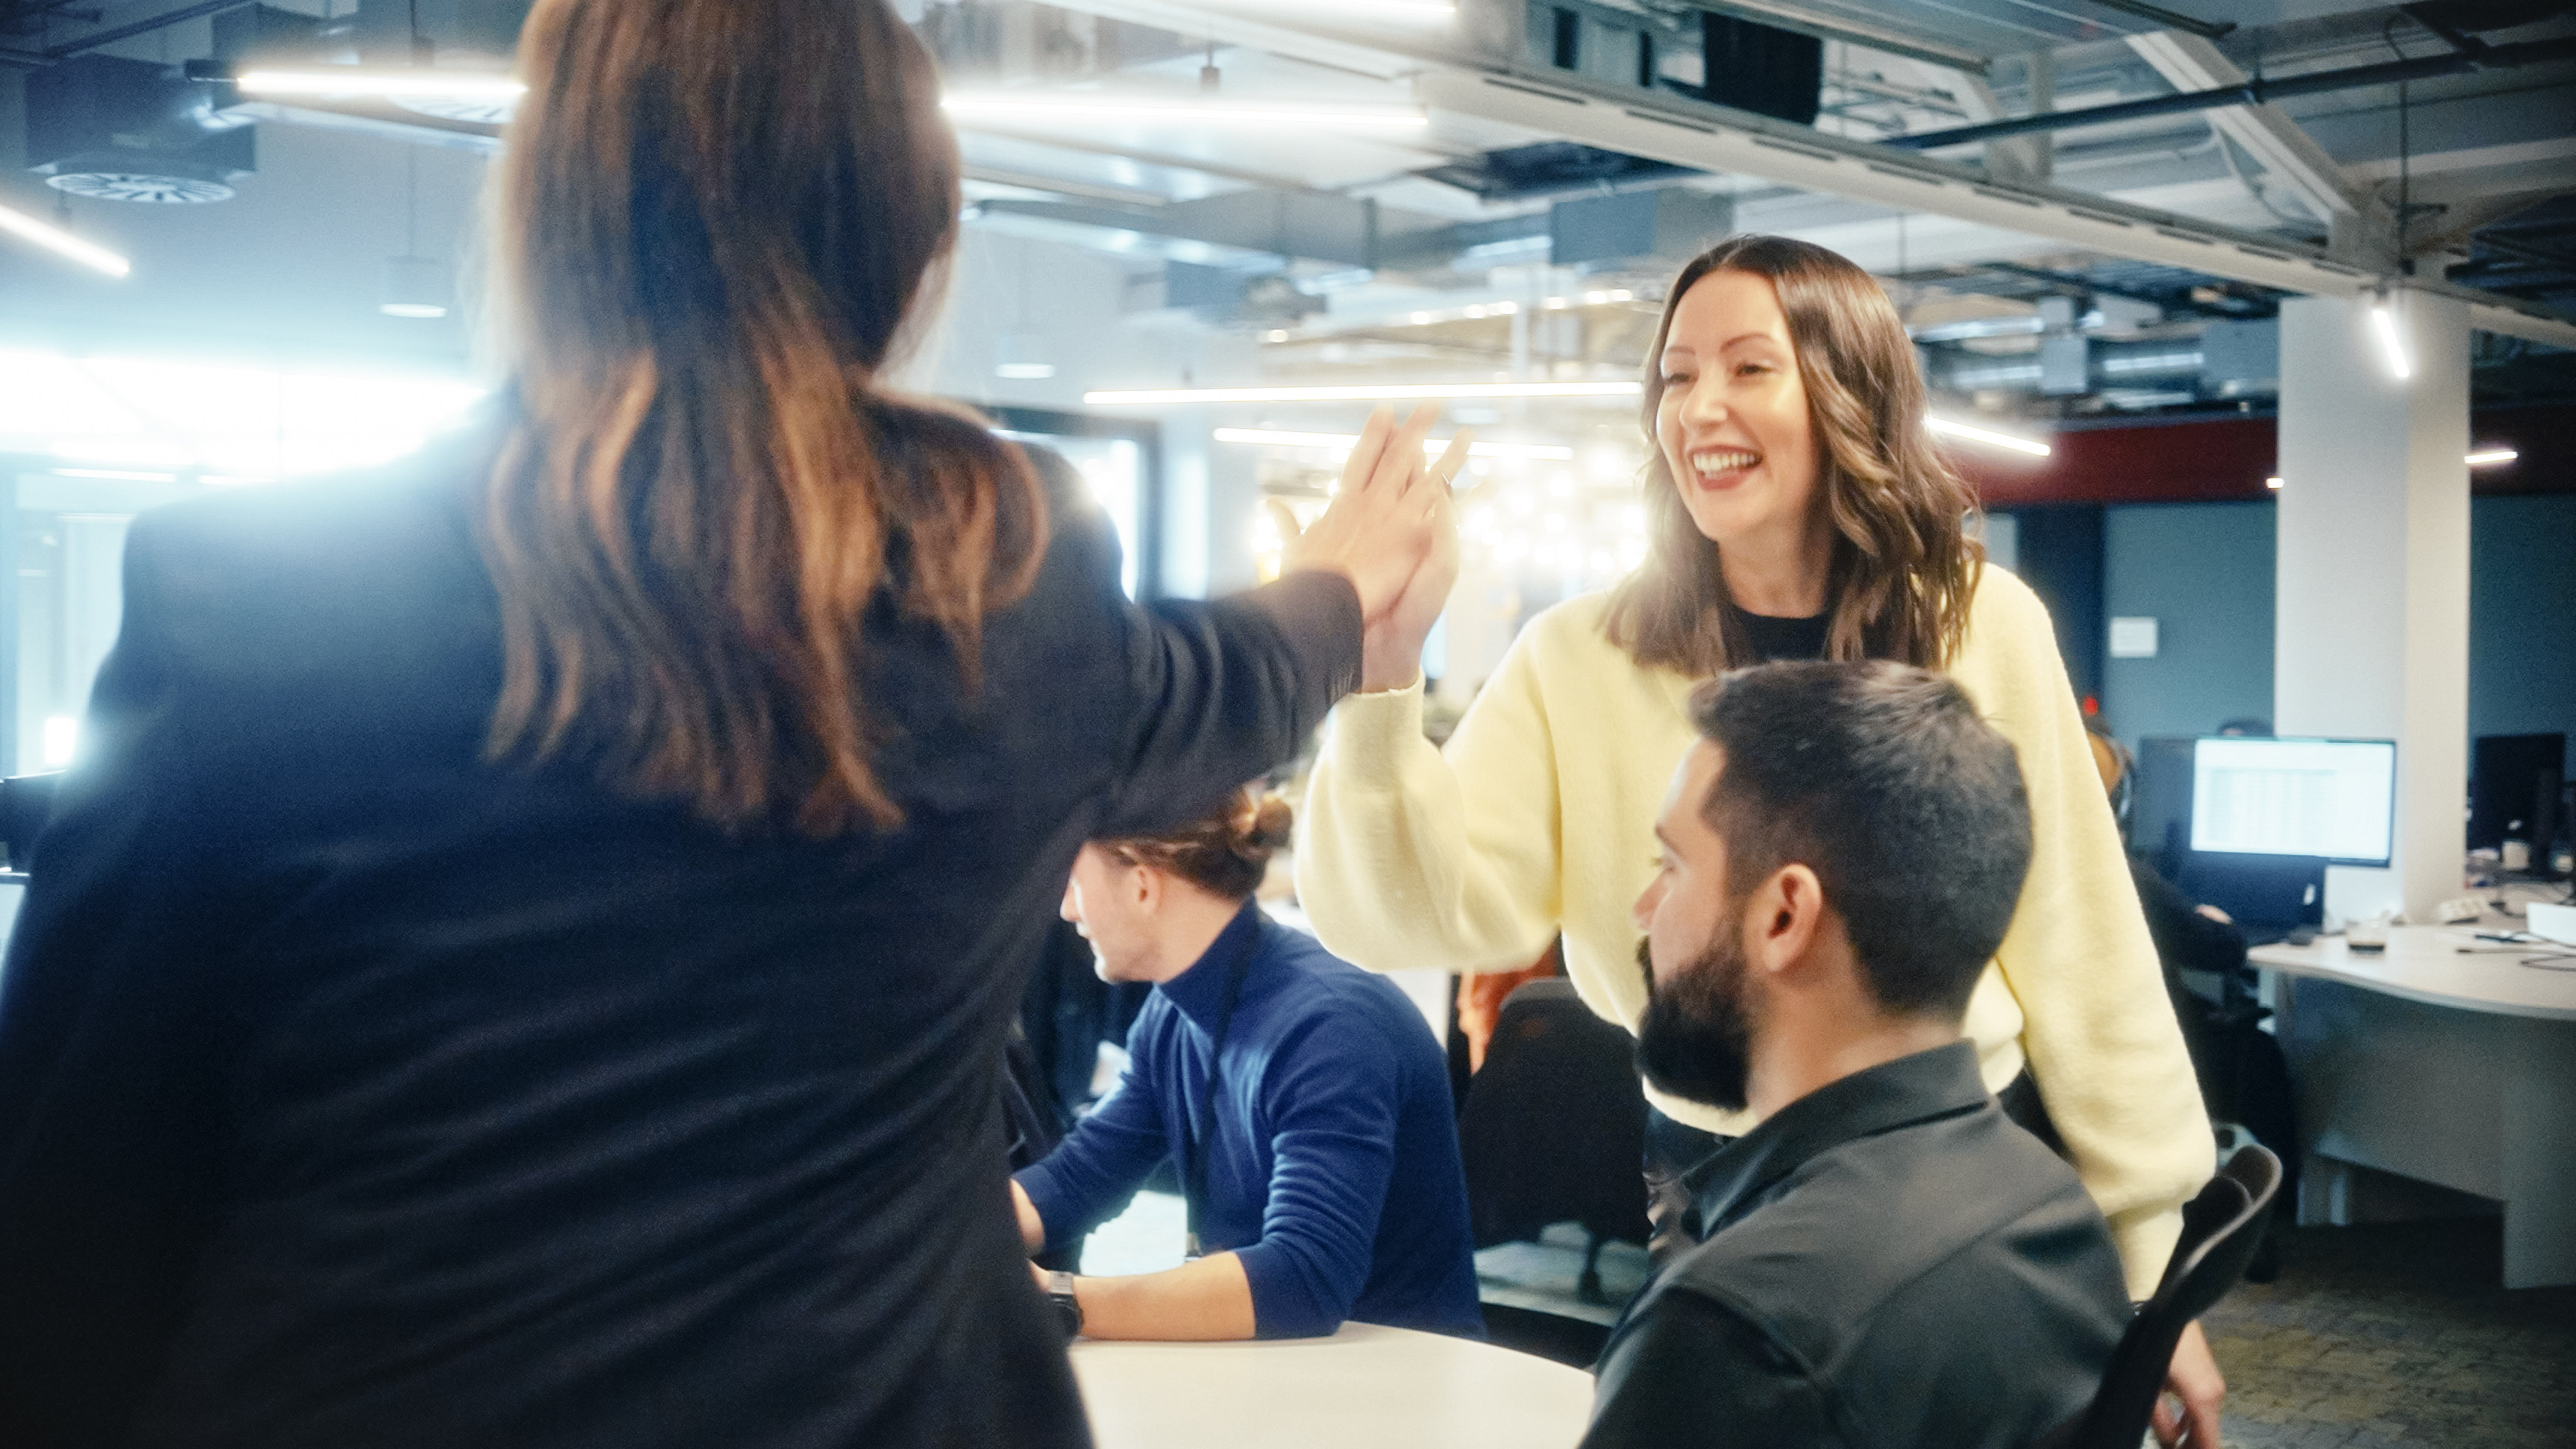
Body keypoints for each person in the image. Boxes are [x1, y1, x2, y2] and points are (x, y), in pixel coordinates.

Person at [0, 2, 1465, 1445]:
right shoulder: (1008, 587)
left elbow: (71, 1223)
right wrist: (1346, 585)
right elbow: (1231, 677)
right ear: (917, 240)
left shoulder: (253, 597)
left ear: (545, 200)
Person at [1294, 233, 2225, 1446]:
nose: (1700, 408)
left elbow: (2083, 945)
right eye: (1675, 376)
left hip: (1953, 1145)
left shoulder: (1974, 621)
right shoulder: (1583, 650)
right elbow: (1411, 919)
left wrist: (2153, 1268)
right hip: (1710, 1161)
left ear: (1846, 395)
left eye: (1747, 367)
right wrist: (1379, 677)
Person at [1584, 660, 2133, 1449]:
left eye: (1669, 866)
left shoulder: (1735, 1334)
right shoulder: (2048, 1200)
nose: (1644, 910)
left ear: (1784, 917)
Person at [1012, 789, 1483, 1342]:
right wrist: (937, 1241)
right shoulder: (1174, 1011)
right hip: (1284, 1366)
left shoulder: (1330, 1029)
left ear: (1142, 886)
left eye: (1074, 882)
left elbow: (1303, 1280)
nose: (1067, 909)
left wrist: (1060, 1298)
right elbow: (1079, 1178)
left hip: (1397, 1379)